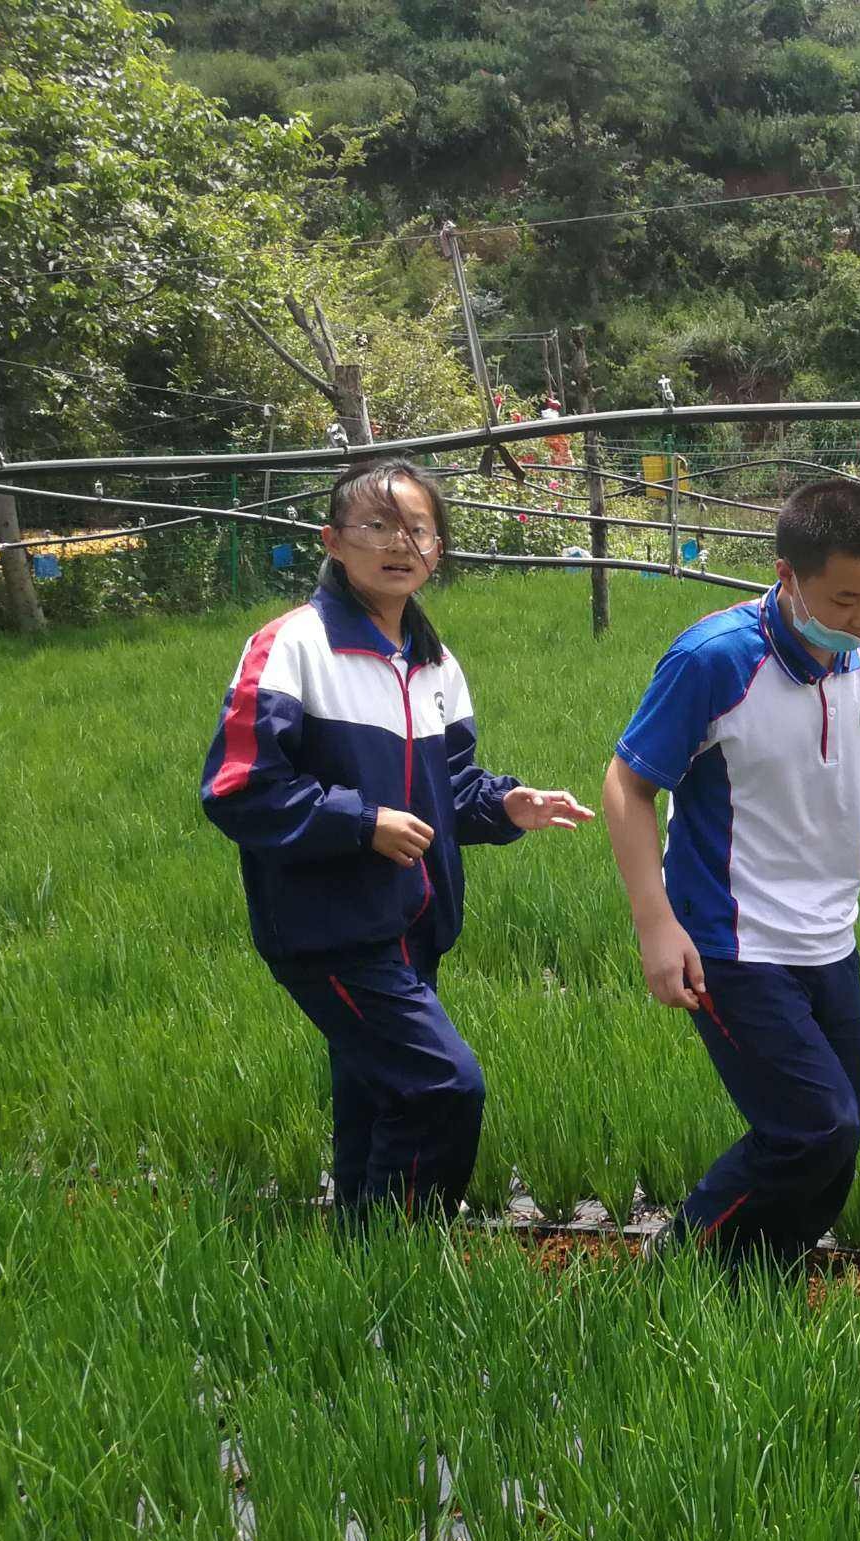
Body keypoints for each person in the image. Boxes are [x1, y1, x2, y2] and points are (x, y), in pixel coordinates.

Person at [601, 477, 860, 1266]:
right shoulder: (714, 661)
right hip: (731, 943)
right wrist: (656, 924)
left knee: (833, 1151)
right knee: (813, 1127)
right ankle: (670, 1275)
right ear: (788, 576)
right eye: (845, 599)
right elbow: (629, 783)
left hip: (829, 940)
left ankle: (758, 1284)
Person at [200, 460, 593, 1218]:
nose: (399, 542)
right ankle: (403, 1254)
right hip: (331, 929)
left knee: (376, 1098)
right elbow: (237, 788)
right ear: (334, 541)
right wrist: (360, 823)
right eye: (376, 526)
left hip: (414, 926)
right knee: (441, 1086)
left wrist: (507, 806)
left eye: (416, 528)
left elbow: (447, 788)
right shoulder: (294, 646)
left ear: (438, 549)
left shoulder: (435, 662)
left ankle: (363, 1263)